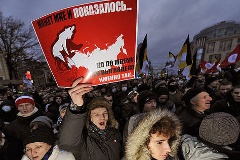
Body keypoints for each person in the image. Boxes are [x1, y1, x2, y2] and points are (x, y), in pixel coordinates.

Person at [58, 78, 122, 160]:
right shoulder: (84, 139)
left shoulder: (115, 134)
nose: (102, 117)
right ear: (90, 118)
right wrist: (76, 107)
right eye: (96, 114)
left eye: (104, 113)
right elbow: (67, 142)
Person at [3, 95, 43, 160]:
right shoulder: (11, 128)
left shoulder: (47, 118)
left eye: (27, 104)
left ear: (33, 105)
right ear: (17, 108)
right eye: (21, 106)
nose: (24, 108)